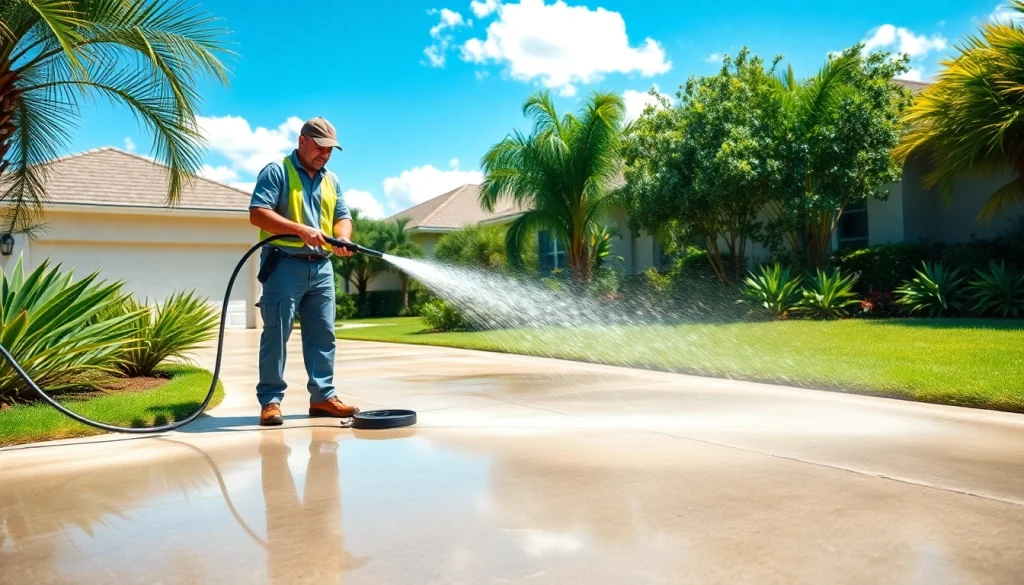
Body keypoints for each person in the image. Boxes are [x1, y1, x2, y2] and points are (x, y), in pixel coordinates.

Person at [248, 117, 361, 426]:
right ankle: (270, 401)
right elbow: (259, 214)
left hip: (322, 268)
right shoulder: (277, 172)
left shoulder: (331, 180)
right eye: (320, 147)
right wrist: (299, 230)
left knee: (324, 335)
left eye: (330, 149)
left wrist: (344, 238)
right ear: (302, 141)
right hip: (284, 263)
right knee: (276, 334)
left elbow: (342, 215)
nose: (325, 154)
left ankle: (323, 397)